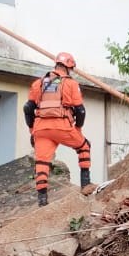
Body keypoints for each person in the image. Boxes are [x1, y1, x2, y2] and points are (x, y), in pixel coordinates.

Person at [23, 52, 93, 206]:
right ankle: (86, 185)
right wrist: (78, 129)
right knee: (84, 147)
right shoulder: (71, 84)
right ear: (68, 67)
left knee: (42, 162)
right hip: (62, 126)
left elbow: (28, 108)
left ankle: (42, 201)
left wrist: (31, 129)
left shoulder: (38, 83)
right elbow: (80, 110)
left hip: (41, 129)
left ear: (56, 64)